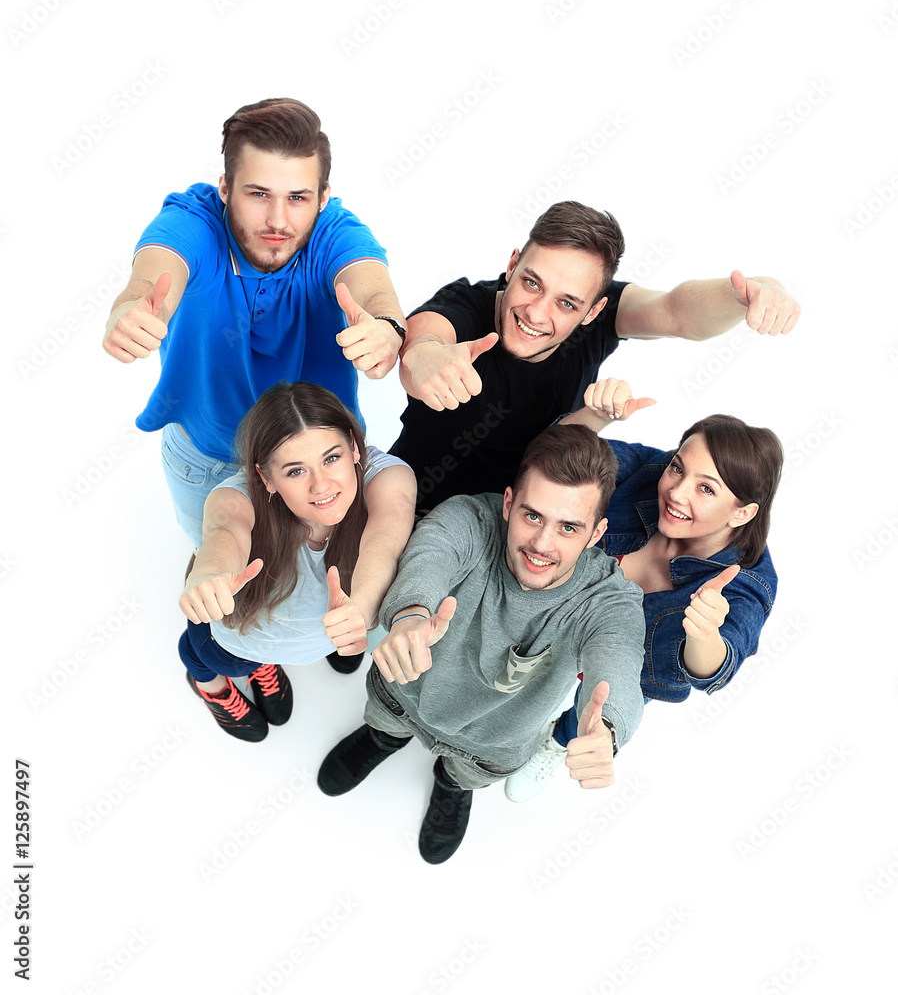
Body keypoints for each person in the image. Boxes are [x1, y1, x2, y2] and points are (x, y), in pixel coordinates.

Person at [317, 424, 646, 863]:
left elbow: (619, 659)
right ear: (509, 503)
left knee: (465, 776)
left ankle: (452, 786)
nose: (542, 545)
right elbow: (430, 557)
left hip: (491, 746)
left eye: (569, 527)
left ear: (596, 533)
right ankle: (383, 740)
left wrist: (607, 728)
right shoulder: (469, 518)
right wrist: (412, 616)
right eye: (533, 515)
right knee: (385, 722)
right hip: (403, 694)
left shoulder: (609, 599)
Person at [102, 97, 410, 555]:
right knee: (227, 585)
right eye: (258, 194)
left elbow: (373, 289)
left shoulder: (333, 233)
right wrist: (133, 309)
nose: (278, 221)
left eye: (298, 198)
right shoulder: (195, 223)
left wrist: (386, 327)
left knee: (324, 583)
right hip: (209, 459)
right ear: (225, 187)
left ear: (322, 198)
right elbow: (155, 274)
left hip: (317, 463)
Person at [390, 200, 800, 511]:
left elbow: (677, 313)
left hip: (521, 524)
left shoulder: (603, 316)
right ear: (513, 265)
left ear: (594, 310)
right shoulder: (466, 304)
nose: (536, 313)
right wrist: (423, 355)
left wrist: (750, 291)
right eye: (532, 283)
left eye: (567, 304)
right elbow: (425, 339)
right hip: (413, 507)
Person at [504, 381, 781, 801]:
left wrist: (704, 634)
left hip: (631, 664)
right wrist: (592, 419)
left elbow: (714, 669)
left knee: (593, 708)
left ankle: (556, 742)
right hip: (560, 616)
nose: (676, 491)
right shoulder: (643, 473)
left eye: (707, 488)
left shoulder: (748, 583)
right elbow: (551, 461)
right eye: (678, 467)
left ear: (742, 512)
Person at [178, 381, 416, 742]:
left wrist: (361, 610)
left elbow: (383, 541)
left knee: (258, 659)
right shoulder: (235, 496)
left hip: (302, 641)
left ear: (354, 446)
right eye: (295, 470)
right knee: (204, 657)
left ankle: (265, 666)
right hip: (239, 639)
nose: (321, 486)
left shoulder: (388, 477)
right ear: (266, 477)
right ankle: (212, 688)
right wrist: (209, 574)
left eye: (331, 458)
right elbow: (225, 532)